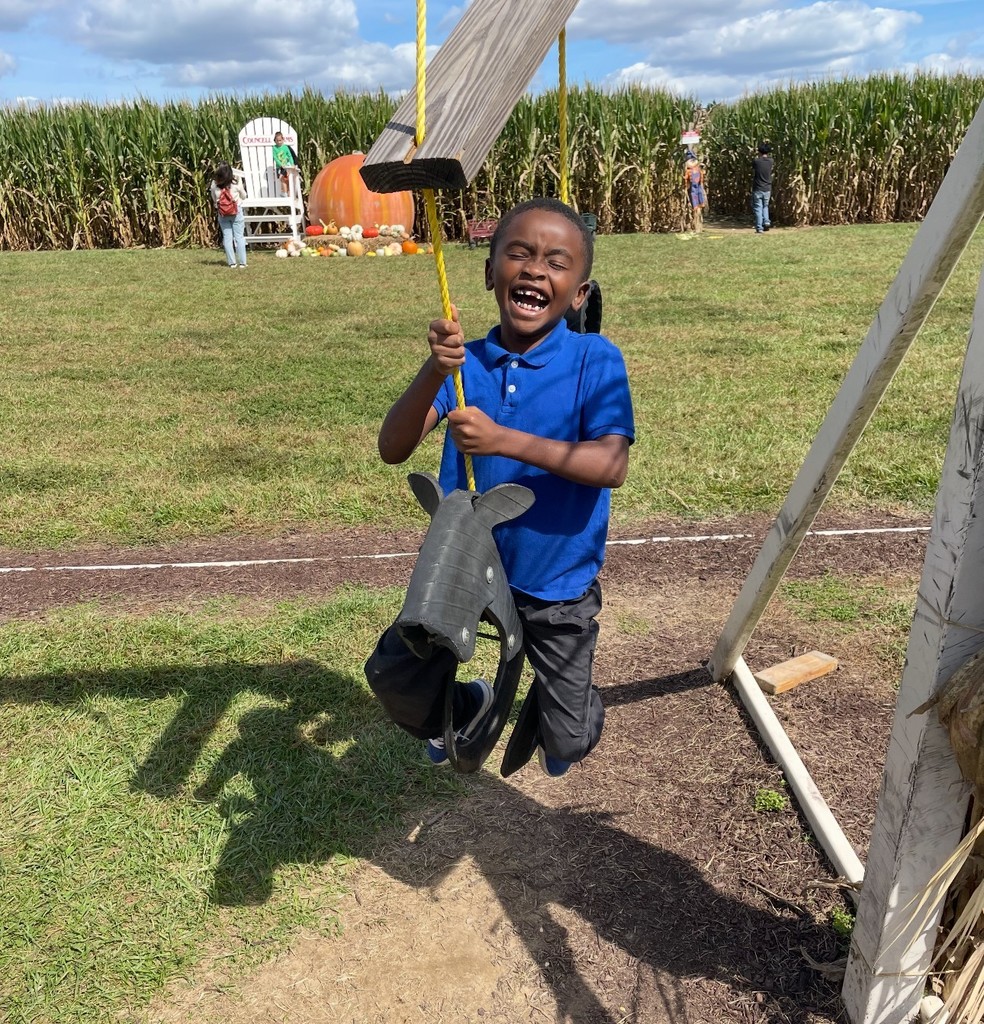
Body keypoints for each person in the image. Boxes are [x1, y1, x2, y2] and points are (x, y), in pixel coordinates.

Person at [364, 197, 635, 778]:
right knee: (396, 681)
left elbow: (611, 464)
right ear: (491, 273)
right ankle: (470, 702)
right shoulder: (467, 363)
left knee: (568, 741)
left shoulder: (595, 359)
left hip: (556, 578)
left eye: (557, 262)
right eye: (520, 254)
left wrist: (503, 439)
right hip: (463, 567)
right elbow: (393, 448)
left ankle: (560, 706)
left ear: (579, 294)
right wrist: (435, 369)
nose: (536, 269)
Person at [209, 162, 248, 268]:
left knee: (227, 237)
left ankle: (232, 262)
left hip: (222, 213)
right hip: (236, 212)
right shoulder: (236, 182)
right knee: (239, 237)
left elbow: (214, 198)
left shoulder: (214, 184)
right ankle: (243, 263)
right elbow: (244, 196)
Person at [751, 142, 773, 234]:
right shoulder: (771, 161)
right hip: (767, 188)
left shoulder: (756, 161)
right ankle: (766, 221)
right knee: (765, 206)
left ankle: (759, 228)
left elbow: (753, 168)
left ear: (759, 151)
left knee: (758, 207)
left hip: (758, 188)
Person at [684, 152, 707, 231]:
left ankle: (697, 225)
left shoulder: (690, 171)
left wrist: (686, 185)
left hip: (695, 189)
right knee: (698, 201)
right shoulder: (698, 170)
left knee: (695, 201)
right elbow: (701, 180)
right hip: (697, 188)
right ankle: (697, 225)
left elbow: (686, 181)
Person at [271, 131, 299, 196]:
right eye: (277, 141)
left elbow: (290, 156)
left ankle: (286, 193)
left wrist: (292, 164)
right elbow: (275, 157)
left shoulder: (285, 147)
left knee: (285, 178)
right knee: (281, 178)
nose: (279, 142)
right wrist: (280, 164)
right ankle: (285, 192)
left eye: (280, 140)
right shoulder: (274, 148)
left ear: (283, 140)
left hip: (286, 166)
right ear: (275, 140)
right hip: (279, 166)